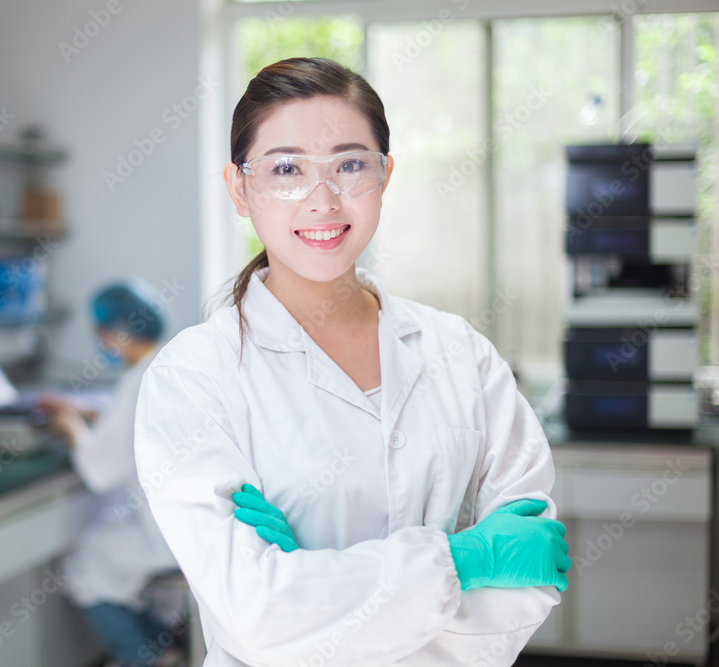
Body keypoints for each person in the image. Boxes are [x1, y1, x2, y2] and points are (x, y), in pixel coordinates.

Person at [132, 57, 571, 667]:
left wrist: (313, 590)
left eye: (350, 165)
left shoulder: (460, 353)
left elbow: (531, 582)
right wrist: (461, 563)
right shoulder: (193, 378)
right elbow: (254, 617)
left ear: (385, 176)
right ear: (240, 188)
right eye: (286, 168)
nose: (322, 199)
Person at [38, 280, 186, 667]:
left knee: (85, 565)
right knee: (107, 556)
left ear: (117, 334)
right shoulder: (168, 364)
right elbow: (140, 425)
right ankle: (161, 648)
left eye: (101, 333)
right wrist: (91, 413)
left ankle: (146, 657)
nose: (101, 343)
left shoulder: (137, 382)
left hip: (167, 536)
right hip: (190, 524)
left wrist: (71, 425)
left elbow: (99, 471)